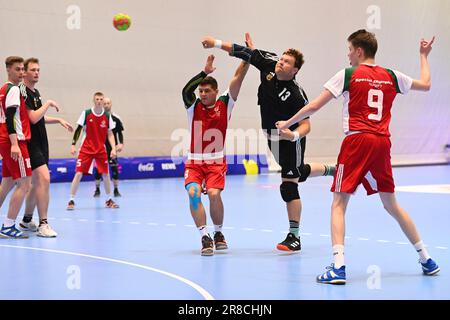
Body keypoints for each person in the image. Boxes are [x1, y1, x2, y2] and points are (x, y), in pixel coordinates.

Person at [276, 30, 439, 284]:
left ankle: (338, 267)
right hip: (382, 143)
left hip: (357, 141)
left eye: (350, 49)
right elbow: (426, 85)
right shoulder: (392, 75)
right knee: (391, 204)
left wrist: (288, 122)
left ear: (359, 51)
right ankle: (426, 258)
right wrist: (423, 55)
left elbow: (314, 106)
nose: (348, 54)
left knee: (339, 203)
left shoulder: (348, 74)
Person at [202, 34, 335, 252]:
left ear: (294, 71)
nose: (281, 63)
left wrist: (292, 136)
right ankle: (333, 169)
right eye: (281, 59)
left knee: (288, 185)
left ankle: (294, 237)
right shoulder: (269, 64)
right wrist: (215, 43)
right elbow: (242, 51)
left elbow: (306, 126)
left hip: (291, 140)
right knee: (297, 172)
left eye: (287, 62)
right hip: (271, 136)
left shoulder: (295, 94)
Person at [182, 54, 249, 256]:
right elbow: (186, 90)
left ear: (216, 92)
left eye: (206, 91)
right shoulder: (193, 106)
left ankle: (218, 233)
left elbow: (238, 78)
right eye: (200, 91)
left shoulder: (225, 103)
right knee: (193, 194)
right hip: (194, 162)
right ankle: (204, 236)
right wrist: (204, 72)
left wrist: (247, 57)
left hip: (216, 162)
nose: (202, 94)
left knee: (213, 194)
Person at [4, 57, 73, 238]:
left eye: (38, 70)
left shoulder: (35, 92)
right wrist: (48, 104)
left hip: (41, 142)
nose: (36, 73)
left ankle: (26, 220)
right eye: (32, 70)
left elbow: (35, 118)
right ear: (24, 72)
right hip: (28, 142)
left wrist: (57, 120)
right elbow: (32, 117)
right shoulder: (20, 92)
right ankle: (43, 223)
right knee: (42, 179)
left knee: (32, 184)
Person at [0, 56, 53, 238]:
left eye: (23, 69)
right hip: (16, 141)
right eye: (18, 69)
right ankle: (8, 225)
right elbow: (10, 117)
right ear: (8, 69)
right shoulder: (15, 89)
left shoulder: (4, 89)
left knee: (7, 183)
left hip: (7, 140)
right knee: (24, 183)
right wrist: (14, 143)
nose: (21, 73)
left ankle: (22, 221)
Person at [67, 92, 119, 210]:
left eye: (101, 99)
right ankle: (71, 199)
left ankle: (109, 199)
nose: (99, 101)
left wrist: (114, 149)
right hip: (86, 148)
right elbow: (78, 129)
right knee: (79, 173)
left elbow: (110, 133)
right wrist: (73, 144)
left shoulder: (106, 115)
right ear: (93, 100)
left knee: (106, 174)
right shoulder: (86, 113)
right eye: (97, 99)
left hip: (100, 149)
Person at [93, 97, 124, 198]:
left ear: (111, 104)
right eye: (104, 103)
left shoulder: (116, 118)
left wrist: (121, 143)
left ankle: (116, 189)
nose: (106, 105)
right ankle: (97, 189)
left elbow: (119, 133)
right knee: (98, 169)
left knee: (114, 168)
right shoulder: (97, 117)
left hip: (111, 148)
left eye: (108, 103)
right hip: (99, 148)